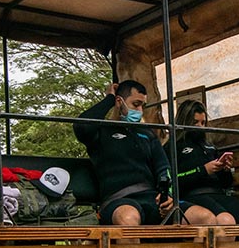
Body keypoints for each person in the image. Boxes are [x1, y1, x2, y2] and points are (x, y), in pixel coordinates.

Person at [75, 81, 214, 226]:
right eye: (136, 104)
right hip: (119, 200)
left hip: (151, 198)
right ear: (119, 101)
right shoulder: (101, 131)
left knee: (205, 218)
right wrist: (109, 98)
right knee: (128, 218)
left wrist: (167, 195)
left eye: (143, 105)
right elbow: (81, 126)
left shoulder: (147, 133)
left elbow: (163, 168)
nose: (140, 110)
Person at [174, 99, 239, 229]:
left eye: (203, 123)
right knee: (225, 220)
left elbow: (226, 183)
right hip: (193, 196)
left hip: (218, 194)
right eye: (195, 123)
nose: (200, 127)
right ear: (184, 122)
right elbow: (173, 181)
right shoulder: (173, 147)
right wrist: (203, 170)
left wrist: (225, 169)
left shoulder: (210, 147)